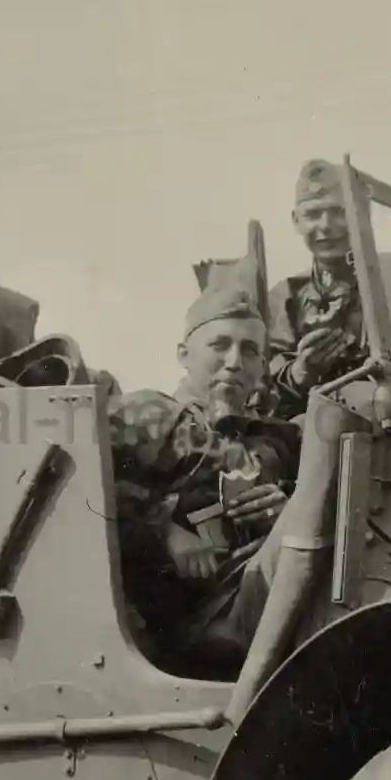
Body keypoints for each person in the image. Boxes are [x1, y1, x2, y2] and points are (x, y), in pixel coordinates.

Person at [108, 280, 300, 677]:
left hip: (256, 613)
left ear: (264, 367)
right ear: (184, 354)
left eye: (250, 351)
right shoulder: (143, 415)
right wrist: (164, 529)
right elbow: (80, 497)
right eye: (220, 345)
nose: (234, 362)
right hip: (166, 629)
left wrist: (287, 511)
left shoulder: (280, 440)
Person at [264, 158, 370, 417]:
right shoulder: (284, 298)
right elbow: (262, 390)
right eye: (313, 214)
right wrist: (302, 371)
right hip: (312, 434)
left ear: (360, 214)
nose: (325, 225)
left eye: (338, 212)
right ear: (296, 221)